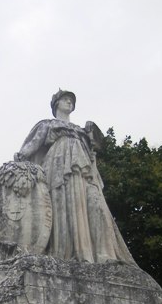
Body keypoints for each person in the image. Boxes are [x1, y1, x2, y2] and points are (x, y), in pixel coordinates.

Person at [14, 89, 136, 265]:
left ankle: (102, 254)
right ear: (57, 104)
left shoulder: (81, 131)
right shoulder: (47, 124)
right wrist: (21, 158)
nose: (69, 102)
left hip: (84, 172)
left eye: (71, 100)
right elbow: (33, 145)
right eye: (65, 99)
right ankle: (68, 254)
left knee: (96, 206)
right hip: (59, 168)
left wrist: (92, 140)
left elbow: (94, 152)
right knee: (64, 208)